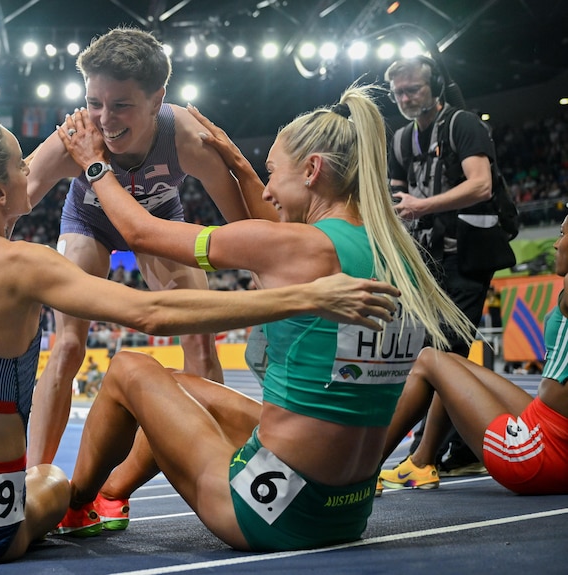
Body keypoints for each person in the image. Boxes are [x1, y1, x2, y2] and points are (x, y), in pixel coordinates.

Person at [0, 117, 402, 564]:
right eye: (23, 166)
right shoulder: (17, 263)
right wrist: (306, 295)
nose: (36, 175)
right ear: (3, 191)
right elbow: (150, 312)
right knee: (51, 484)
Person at [47, 85, 474, 550]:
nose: (267, 189)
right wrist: (241, 166)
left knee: (130, 370)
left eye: (272, 173)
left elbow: (139, 232)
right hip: (348, 510)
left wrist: (94, 164)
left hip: (269, 512)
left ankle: (75, 506)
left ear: (312, 170)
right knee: (178, 388)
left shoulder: (297, 248)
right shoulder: (399, 253)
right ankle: (111, 495)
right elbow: (277, 231)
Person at [26, 27, 254, 467]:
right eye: (95, 103)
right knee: (69, 346)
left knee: (201, 338)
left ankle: (221, 465)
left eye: (122, 105)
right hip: (89, 222)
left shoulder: (185, 135)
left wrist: (271, 279)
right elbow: (12, 202)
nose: (105, 121)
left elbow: (241, 224)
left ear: (157, 99)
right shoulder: (74, 136)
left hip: (158, 223)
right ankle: (35, 479)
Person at [378, 215, 568, 495]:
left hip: (538, 455)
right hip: (551, 428)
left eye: (563, 234)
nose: (556, 244)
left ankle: (357, 475)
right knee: (455, 366)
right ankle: (420, 462)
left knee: (430, 359)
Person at [385, 56, 501, 475]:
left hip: (469, 253)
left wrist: (423, 205)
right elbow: (399, 203)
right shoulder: (400, 140)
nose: (405, 97)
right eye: (399, 91)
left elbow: (481, 184)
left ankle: (423, 455)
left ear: (434, 88)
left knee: (445, 352)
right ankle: (466, 449)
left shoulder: (462, 124)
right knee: (432, 352)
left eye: (413, 88)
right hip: (429, 259)